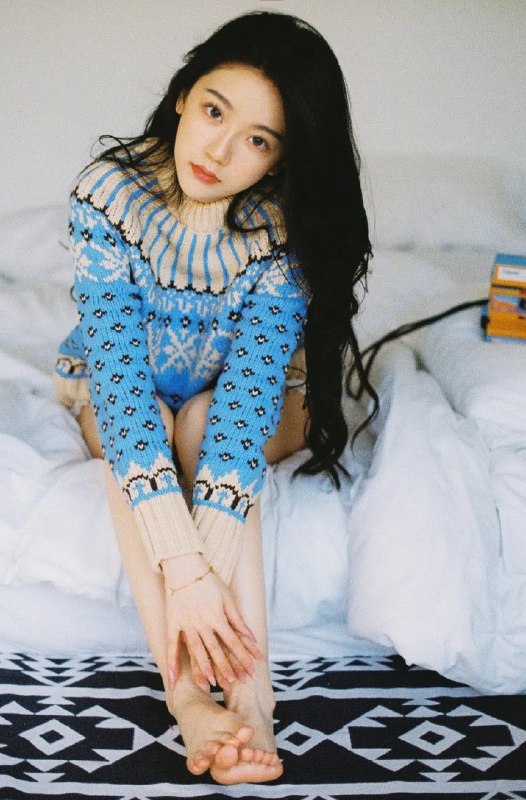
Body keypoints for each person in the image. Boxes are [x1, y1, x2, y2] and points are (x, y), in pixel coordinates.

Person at [53, 10, 373, 786]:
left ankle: (254, 697)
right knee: (143, 436)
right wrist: (186, 574)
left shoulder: (281, 229)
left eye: (259, 139)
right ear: (182, 97)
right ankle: (189, 697)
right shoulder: (108, 195)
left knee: (202, 418)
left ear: (284, 156)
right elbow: (120, 383)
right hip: (123, 385)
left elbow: (244, 405)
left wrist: (203, 565)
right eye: (214, 111)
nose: (220, 151)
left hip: (249, 401)